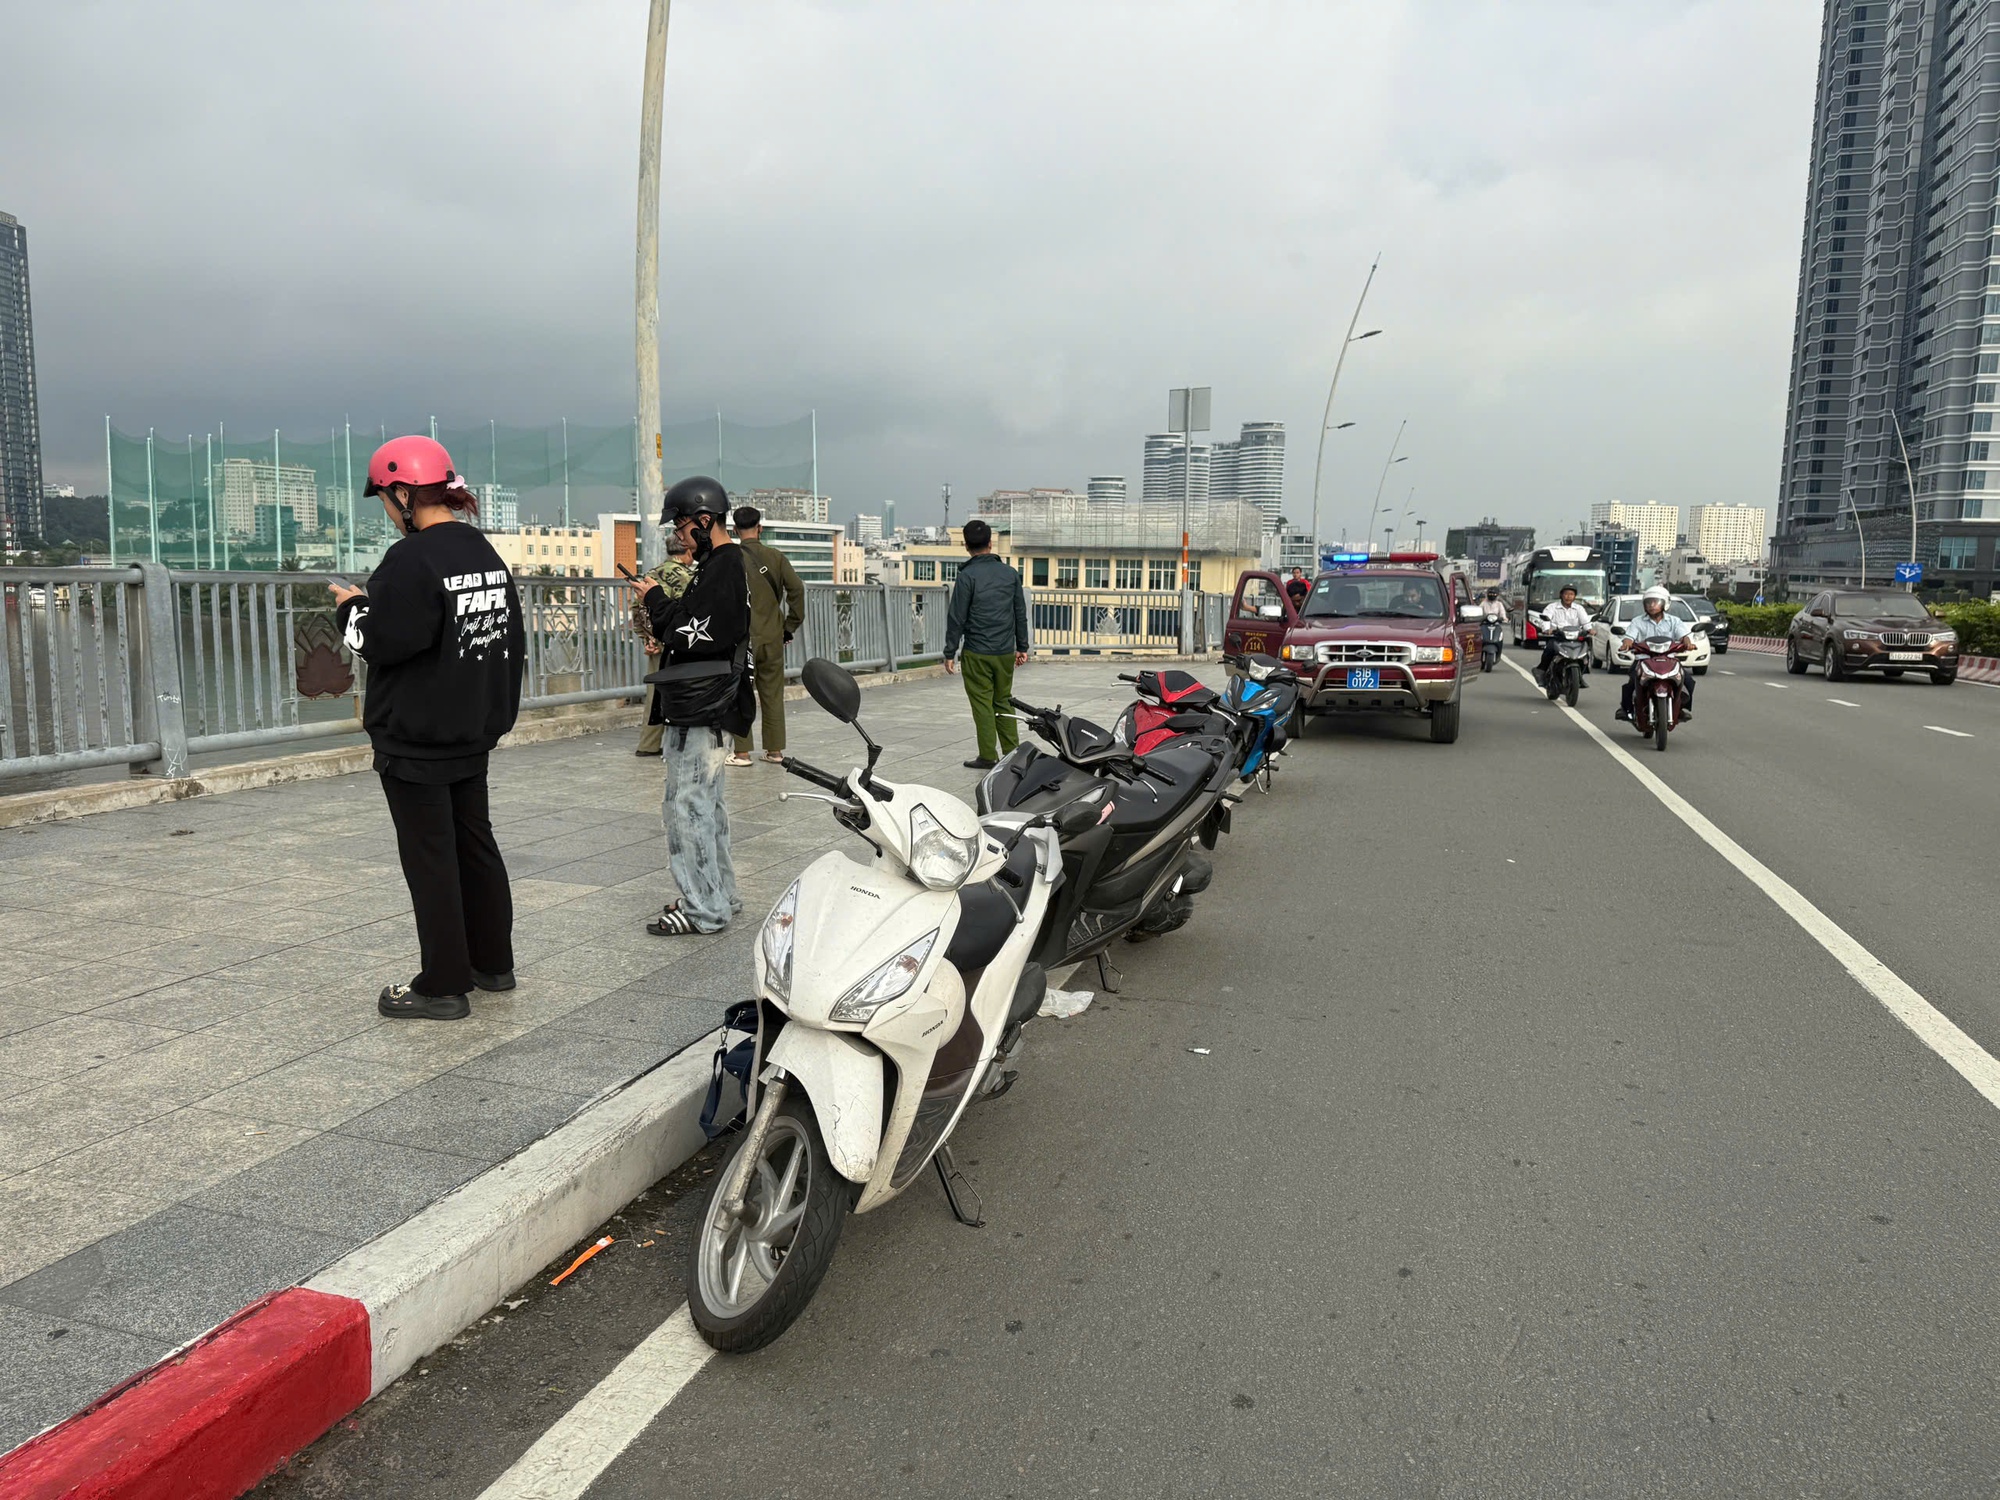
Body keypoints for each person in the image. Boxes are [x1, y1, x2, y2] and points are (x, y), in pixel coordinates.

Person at [330, 436, 525, 1022]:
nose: (388, 512)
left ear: (404, 493)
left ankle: (442, 984)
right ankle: (493, 963)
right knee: (475, 846)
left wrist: (350, 607)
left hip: (416, 739)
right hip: (472, 729)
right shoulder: (482, 553)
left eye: (387, 500)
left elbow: (382, 641)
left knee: (431, 859)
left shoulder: (412, 561)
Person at [629, 476, 753, 936]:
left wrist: (655, 599)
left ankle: (704, 907)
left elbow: (692, 631)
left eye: (681, 525)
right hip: (713, 705)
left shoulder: (722, 567)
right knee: (707, 806)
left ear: (704, 521)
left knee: (687, 808)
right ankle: (720, 894)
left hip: (701, 706)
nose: (677, 535)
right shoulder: (723, 563)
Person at [943, 519, 1030, 770]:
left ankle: (987, 756)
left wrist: (950, 652)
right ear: (991, 543)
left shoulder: (967, 576)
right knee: (1003, 700)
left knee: (982, 703)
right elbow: (1019, 612)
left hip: (977, 652)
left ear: (966, 546)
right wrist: (1022, 646)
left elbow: (956, 617)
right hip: (1004, 652)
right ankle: (1014, 755)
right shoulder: (1010, 574)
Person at [728, 506, 806, 767]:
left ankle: (742, 753)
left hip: (741, 638)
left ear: (735, 530)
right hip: (773, 636)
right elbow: (796, 590)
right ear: (760, 528)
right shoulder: (776, 557)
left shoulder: (730, 559)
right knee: (772, 692)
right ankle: (774, 751)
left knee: (741, 692)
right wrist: (789, 626)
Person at [633, 534, 696, 757]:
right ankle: (682, 744)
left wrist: (648, 639)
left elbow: (638, 609)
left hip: (655, 645)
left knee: (654, 695)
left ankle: (648, 745)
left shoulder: (650, 575)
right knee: (685, 693)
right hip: (681, 645)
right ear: (688, 551)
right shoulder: (690, 576)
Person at [1616, 585, 1694, 722]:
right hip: (1644, 659)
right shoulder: (1637, 621)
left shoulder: (1674, 621)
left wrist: (1687, 643)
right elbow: (1629, 637)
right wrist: (1627, 644)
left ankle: (1681, 709)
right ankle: (1626, 709)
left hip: (1669, 659)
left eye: (1656, 602)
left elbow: (1684, 636)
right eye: (1649, 602)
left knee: (1688, 681)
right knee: (1631, 681)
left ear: (1665, 604)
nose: (1652, 605)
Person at [1534, 584, 1593, 687]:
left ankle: (1580, 675)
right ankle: (1541, 671)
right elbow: (1545, 619)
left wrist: (1590, 630)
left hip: (1575, 638)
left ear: (1574, 596)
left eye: (1571, 594)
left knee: (1585, 653)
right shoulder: (1552, 607)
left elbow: (1585, 622)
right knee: (1549, 649)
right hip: (1558, 637)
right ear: (1561, 595)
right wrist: (1547, 629)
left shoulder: (1579, 608)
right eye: (1566, 594)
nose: (1568, 596)